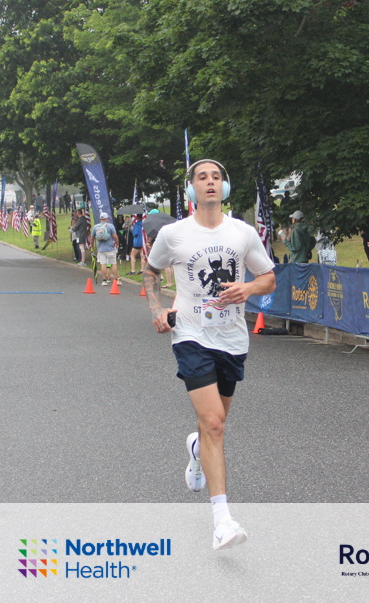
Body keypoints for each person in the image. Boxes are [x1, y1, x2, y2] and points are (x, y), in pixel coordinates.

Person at [144, 159, 275, 550]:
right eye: (202, 178)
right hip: (190, 335)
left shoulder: (242, 232)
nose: (210, 182)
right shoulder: (173, 234)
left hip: (232, 340)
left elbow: (268, 276)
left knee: (214, 424)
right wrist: (157, 309)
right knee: (214, 422)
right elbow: (150, 271)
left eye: (216, 177)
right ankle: (223, 521)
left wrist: (248, 289)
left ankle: (197, 449)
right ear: (191, 190)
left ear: (225, 187)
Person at [92, 212, 120, 285]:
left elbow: (92, 237)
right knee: (113, 264)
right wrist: (117, 244)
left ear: (100, 218)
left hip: (101, 249)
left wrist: (92, 246)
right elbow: (115, 236)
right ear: (106, 218)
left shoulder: (95, 227)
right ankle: (116, 280)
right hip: (110, 248)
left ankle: (104, 280)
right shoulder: (110, 226)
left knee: (103, 264)